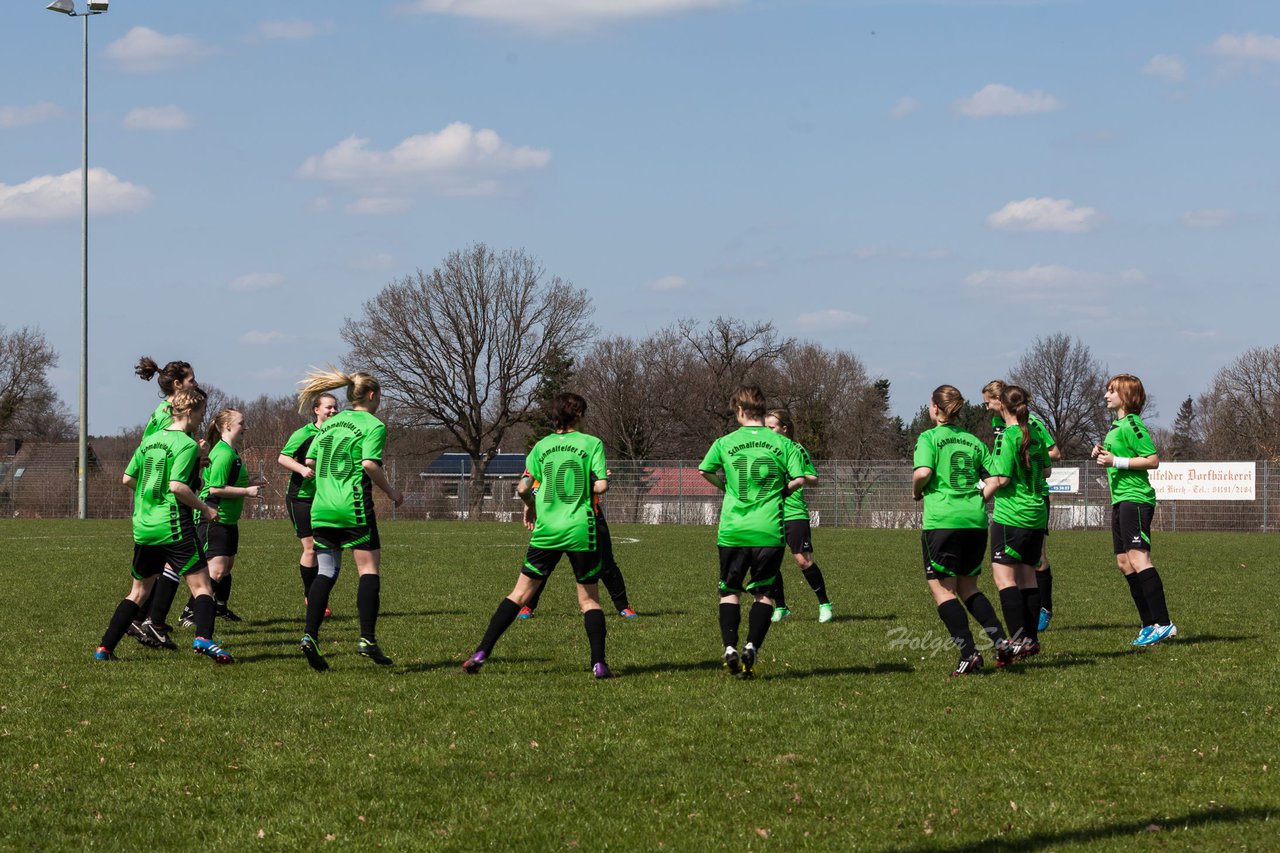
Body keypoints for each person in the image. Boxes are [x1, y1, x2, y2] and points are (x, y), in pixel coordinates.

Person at [463, 393, 615, 678]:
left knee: (519, 594)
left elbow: (522, 488)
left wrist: (529, 508)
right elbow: (601, 487)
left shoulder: (540, 447)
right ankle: (599, 663)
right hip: (581, 529)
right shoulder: (591, 444)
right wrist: (591, 482)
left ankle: (482, 652)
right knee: (589, 601)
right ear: (579, 415)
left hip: (547, 531)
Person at [95, 386, 233, 664]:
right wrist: (205, 508)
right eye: (202, 413)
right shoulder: (186, 444)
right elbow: (178, 487)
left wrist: (151, 493)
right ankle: (204, 638)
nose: (202, 419)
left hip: (144, 526)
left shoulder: (149, 441)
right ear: (190, 412)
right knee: (202, 587)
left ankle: (105, 649)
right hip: (173, 526)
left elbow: (127, 479)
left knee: (137, 593)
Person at [296, 369, 404, 671]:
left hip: (322, 508)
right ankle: (367, 639)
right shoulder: (373, 425)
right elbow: (369, 463)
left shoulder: (330, 424)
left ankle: (310, 636)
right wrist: (392, 492)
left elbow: (310, 461)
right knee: (368, 570)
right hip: (353, 507)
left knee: (326, 572)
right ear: (372, 395)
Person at [698, 386, 806, 678]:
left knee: (729, 591)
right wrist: (782, 491)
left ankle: (730, 647)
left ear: (741, 411)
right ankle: (752, 646)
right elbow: (800, 478)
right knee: (764, 594)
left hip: (733, 529)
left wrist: (725, 487)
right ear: (761, 410)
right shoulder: (783, 443)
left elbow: (704, 470)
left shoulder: (725, 442)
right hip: (768, 530)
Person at [912, 385, 1008, 677]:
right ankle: (1001, 641)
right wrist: (977, 499)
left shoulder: (929, 437)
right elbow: (996, 479)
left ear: (936, 409)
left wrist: (917, 491)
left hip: (943, 521)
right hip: (975, 522)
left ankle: (969, 653)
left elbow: (923, 473)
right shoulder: (973, 441)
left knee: (942, 589)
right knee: (969, 587)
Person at [1092, 374, 1177, 646]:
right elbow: (1117, 457)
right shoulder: (1116, 427)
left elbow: (1152, 460)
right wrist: (1103, 454)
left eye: (1112, 391)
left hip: (1135, 499)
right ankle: (1148, 623)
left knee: (1140, 559)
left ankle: (1164, 623)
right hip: (1120, 500)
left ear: (1126, 396)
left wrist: (1116, 460)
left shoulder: (1132, 423)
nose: (1106, 395)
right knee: (1124, 562)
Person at [127, 356, 199, 648]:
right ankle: (146, 620)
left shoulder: (175, 412)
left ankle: (148, 619)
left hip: (165, 495)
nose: (196, 383)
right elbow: (156, 452)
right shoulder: (166, 413)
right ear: (179, 384)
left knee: (162, 566)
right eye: (192, 380)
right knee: (164, 564)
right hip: (163, 500)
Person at [982, 379, 1062, 631]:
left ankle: (1039, 614)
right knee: (1023, 571)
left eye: (988, 403)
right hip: (1030, 503)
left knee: (1030, 563)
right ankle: (1029, 633)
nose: (986, 408)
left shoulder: (1028, 428)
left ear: (1001, 402)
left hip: (1019, 505)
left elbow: (1053, 455)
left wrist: (984, 491)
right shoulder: (1002, 426)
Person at [180, 408, 266, 625]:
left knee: (226, 568)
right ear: (228, 427)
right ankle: (190, 612)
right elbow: (215, 489)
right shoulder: (223, 453)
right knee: (216, 571)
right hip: (214, 518)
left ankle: (220, 608)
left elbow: (230, 481)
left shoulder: (232, 451)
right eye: (241, 423)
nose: (245, 427)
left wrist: (250, 484)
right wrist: (247, 492)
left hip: (228, 519)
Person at [517, 468, 638, 620]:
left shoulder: (585, 452)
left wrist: (599, 479)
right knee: (543, 566)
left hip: (589, 518)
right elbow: (532, 488)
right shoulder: (542, 453)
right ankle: (528, 606)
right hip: (554, 520)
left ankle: (623, 606)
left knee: (606, 563)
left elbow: (601, 486)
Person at [763, 408, 830, 623]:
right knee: (767, 561)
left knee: (802, 560)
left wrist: (798, 477)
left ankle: (824, 603)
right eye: (765, 427)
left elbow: (813, 478)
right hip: (768, 510)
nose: (768, 431)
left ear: (784, 428)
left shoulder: (796, 449)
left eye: (771, 427)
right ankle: (781, 607)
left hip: (793, 511)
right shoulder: (763, 449)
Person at [278, 393, 340, 614]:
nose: (333, 411)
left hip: (326, 498)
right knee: (311, 547)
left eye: (335, 407)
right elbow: (283, 457)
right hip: (301, 498)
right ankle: (311, 596)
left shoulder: (338, 432)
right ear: (316, 410)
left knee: (328, 547)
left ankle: (317, 595)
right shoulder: (303, 433)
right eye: (328, 408)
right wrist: (302, 469)